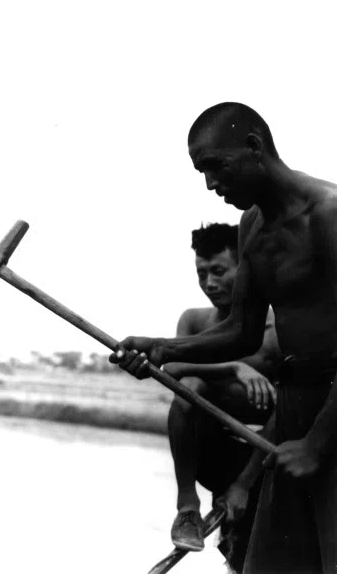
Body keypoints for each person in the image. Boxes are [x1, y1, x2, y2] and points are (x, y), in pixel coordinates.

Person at [111, 102, 337, 573]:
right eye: (203, 173)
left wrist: (317, 443)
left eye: (217, 167)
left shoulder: (329, 215)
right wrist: (162, 348)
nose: (212, 185)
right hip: (293, 410)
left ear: (254, 147)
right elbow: (241, 331)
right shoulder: (252, 226)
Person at [162, 222, 280, 570]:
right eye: (202, 273)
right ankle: (187, 508)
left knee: (247, 553)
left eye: (218, 271)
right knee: (192, 388)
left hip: (265, 461)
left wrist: (243, 484)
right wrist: (233, 368)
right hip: (212, 453)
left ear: (246, 270)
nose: (209, 283)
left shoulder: (276, 329)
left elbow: (287, 409)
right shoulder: (195, 322)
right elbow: (173, 372)